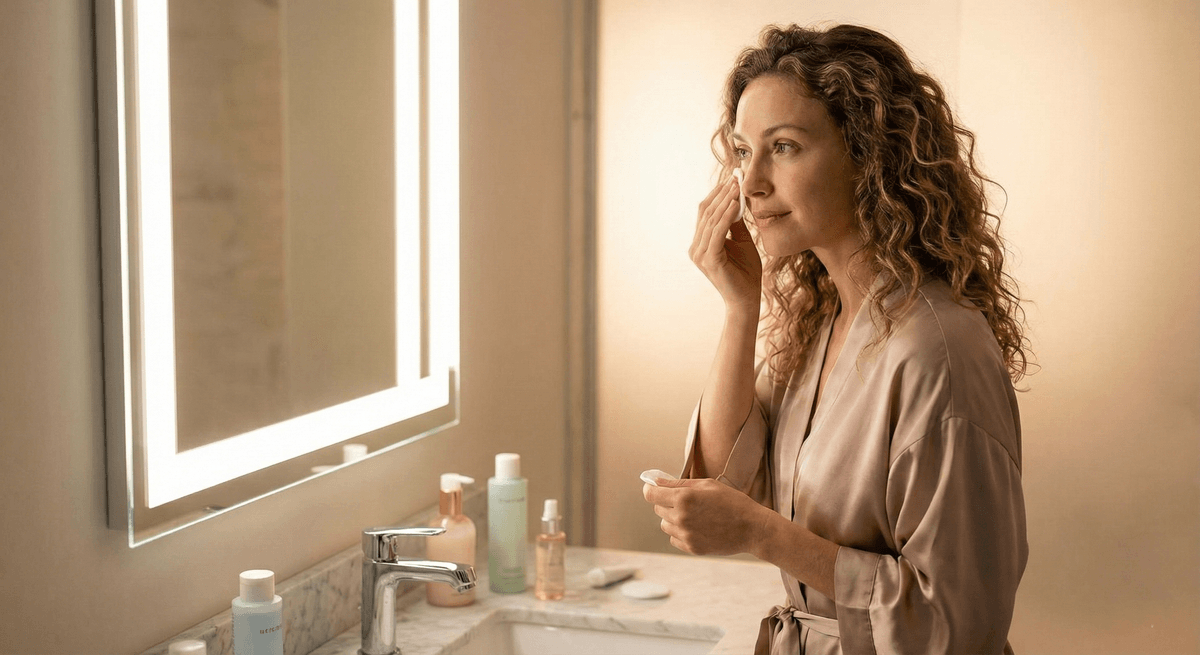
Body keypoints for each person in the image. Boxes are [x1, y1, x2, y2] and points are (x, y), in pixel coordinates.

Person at [642, 23, 1031, 655]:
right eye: (742, 151)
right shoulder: (821, 326)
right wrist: (740, 308)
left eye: (784, 147)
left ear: (869, 155)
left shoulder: (938, 351)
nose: (751, 182)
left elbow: (957, 624)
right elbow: (724, 481)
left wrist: (764, 535)